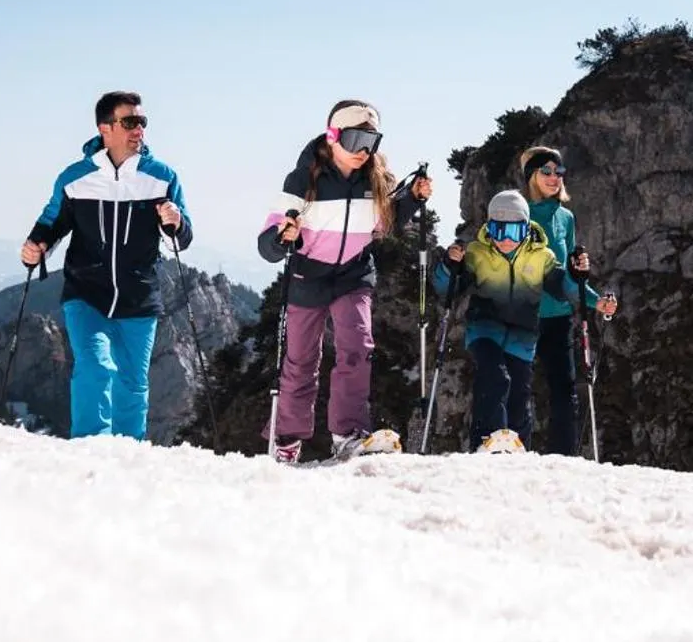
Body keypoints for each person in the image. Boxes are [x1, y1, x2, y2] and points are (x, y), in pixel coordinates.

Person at [259, 99, 432, 464]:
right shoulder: (304, 178)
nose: (363, 151)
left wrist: (412, 199)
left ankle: (348, 433)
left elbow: (384, 224)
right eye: (355, 140)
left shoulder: (377, 180)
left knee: (357, 348)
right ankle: (288, 439)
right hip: (309, 275)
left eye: (371, 142)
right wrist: (282, 237)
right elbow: (267, 244)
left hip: (353, 274)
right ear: (333, 136)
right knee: (301, 360)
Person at [20, 90, 192, 441]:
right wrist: (36, 246)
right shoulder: (75, 177)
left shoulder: (161, 177)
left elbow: (182, 236)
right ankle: (90, 451)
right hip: (86, 293)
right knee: (95, 368)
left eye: (142, 122)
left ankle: (129, 458)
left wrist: (175, 220)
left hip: (139, 296)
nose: (138, 129)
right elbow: (52, 221)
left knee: (132, 382)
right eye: (129, 122)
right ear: (105, 128)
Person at [439, 189, 617, 453]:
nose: (507, 241)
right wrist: (448, 267)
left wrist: (580, 279)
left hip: (522, 334)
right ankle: (489, 443)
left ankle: (517, 448)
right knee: (495, 376)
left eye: (514, 232)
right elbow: (448, 288)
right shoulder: (477, 253)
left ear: (526, 229)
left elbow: (563, 287)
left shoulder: (540, 255)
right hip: (484, 329)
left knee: (519, 394)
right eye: (500, 232)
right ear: (489, 229)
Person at [517, 144, 618, 454]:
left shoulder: (566, 217)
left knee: (564, 390)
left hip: (558, 315)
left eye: (558, 171)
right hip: (522, 313)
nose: (554, 177)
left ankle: (565, 459)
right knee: (518, 387)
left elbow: (570, 275)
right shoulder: (518, 212)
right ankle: (512, 454)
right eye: (546, 171)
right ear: (531, 175)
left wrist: (597, 301)